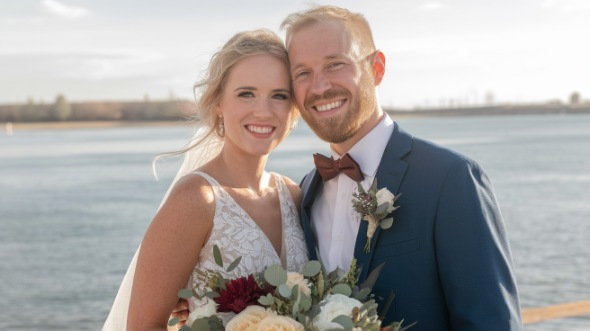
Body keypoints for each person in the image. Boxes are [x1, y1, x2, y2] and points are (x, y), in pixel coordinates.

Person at [281, 5, 522, 330]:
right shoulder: (306, 191)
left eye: (335, 64)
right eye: (302, 73)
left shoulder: (450, 179)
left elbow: (491, 323)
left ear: (377, 68)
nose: (320, 86)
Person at [101, 29, 308, 331]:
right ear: (218, 104)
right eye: (246, 93)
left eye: (279, 95)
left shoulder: (293, 194)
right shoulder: (197, 199)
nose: (263, 111)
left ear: (293, 110)